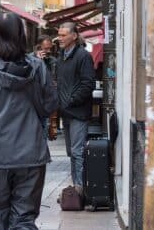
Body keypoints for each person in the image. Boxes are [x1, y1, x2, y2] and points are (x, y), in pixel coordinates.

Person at [0, 14, 60, 229]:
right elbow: (49, 106)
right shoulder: (38, 68)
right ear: (22, 36)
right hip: (31, 152)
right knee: (24, 218)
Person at [55, 22, 96, 191]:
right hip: (66, 112)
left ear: (74, 36)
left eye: (64, 35)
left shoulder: (83, 56)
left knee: (78, 152)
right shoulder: (61, 56)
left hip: (77, 111)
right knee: (72, 153)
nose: (60, 38)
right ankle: (76, 188)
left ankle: (80, 189)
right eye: (59, 34)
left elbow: (88, 84)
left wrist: (71, 100)